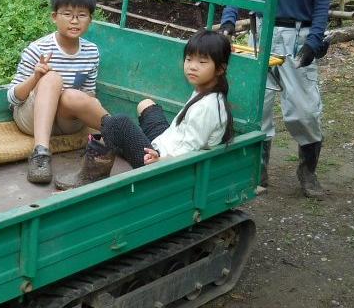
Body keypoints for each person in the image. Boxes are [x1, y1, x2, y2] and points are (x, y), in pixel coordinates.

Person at [218, 0, 332, 198]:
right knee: (259, 107)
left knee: (304, 110)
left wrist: (314, 41)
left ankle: (308, 172)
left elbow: (323, 2)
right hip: (262, 34)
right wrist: (229, 20)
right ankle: (259, 170)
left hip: (299, 35)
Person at [55, 30, 234, 190]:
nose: (192, 66)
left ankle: (90, 175)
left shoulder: (206, 107)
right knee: (146, 105)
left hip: (162, 166)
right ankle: (116, 140)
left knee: (119, 123)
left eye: (202, 62)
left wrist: (159, 161)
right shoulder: (206, 91)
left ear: (220, 69)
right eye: (189, 59)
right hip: (165, 143)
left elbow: (189, 154)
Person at [8, 0, 108, 184]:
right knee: (52, 78)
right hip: (31, 119)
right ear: (55, 17)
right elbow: (12, 98)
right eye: (67, 14)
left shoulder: (91, 52)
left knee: (73, 95)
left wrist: (72, 97)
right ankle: (41, 154)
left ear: (90, 19)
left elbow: (90, 94)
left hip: (66, 122)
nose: (74, 21)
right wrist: (36, 78)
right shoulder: (38, 48)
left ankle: (122, 134)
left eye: (81, 15)